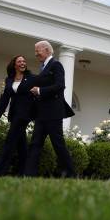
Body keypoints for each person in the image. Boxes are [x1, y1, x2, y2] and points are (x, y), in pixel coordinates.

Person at [23, 40, 76, 178]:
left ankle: (70, 174)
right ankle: (29, 175)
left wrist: (40, 90)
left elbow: (60, 86)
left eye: (37, 51)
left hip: (53, 113)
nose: (36, 54)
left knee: (58, 145)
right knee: (35, 143)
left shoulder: (56, 65)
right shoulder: (43, 67)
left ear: (46, 50)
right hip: (41, 114)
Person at [0, 55, 36, 178]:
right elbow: (5, 100)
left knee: (10, 141)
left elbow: (38, 93)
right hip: (14, 114)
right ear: (14, 64)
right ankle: (25, 172)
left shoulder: (31, 78)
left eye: (24, 61)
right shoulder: (9, 80)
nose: (23, 63)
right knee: (21, 144)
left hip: (24, 115)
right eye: (20, 61)